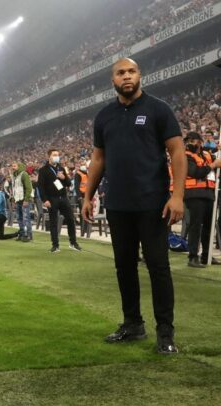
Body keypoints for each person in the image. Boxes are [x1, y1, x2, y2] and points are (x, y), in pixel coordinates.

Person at [83, 57, 187, 355]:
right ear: (113, 80)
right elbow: (98, 159)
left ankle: (165, 332)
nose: (126, 76)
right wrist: (88, 196)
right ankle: (132, 324)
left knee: (158, 266)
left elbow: (177, 152)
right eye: (120, 73)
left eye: (131, 71)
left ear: (140, 75)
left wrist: (177, 195)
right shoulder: (104, 116)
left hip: (152, 203)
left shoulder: (158, 109)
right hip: (117, 204)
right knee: (124, 267)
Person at [182, 131, 221, 267]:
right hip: (194, 194)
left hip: (209, 194)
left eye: (192, 141)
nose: (189, 143)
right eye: (188, 141)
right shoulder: (186, 156)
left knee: (209, 226)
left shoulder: (207, 154)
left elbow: (216, 163)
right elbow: (194, 172)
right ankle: (193, 257)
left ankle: (206, 255)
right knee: (196, 226)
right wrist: (212, 165)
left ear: (199, 142)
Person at [38, 149, 81, 252]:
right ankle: (55, 245)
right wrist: (45, 200)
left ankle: (73, 242)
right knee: (53, 222)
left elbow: (68, 184)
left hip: (63, 197)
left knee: (70, 219)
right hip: (52, 198)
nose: (57, 156)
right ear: (49, 157)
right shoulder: (43, 170)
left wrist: (63, 177)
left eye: (57, 155)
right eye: (54, 155)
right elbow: (40, 186)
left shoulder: (61, 168)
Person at [10, 162, 33, 242]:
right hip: (17, 200)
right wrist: (13, 200)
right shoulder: (14, 176)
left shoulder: (24, 174)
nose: (13, 167)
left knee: (25, 218)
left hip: (24, 200)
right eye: (12, 166)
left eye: (14, 166)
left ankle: (28, 235)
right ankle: (22, 234)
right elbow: (14, 189)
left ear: (19, 166)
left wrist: (26, 199)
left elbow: (29, 188)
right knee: (19, 218)